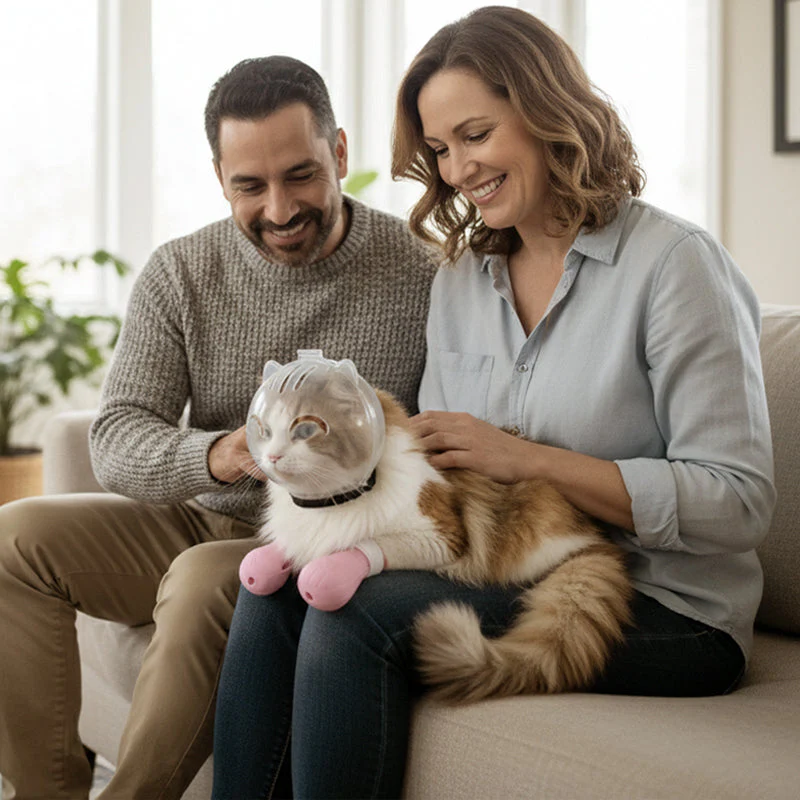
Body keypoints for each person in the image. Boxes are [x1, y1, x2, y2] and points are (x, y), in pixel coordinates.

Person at [210, 7, 776, 799]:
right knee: (270, 595)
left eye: (474, 135)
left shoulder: (674, 267)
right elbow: (448, 479)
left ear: (548, 111)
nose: (456, 170)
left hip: (668, 604)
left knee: (351, 618)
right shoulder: (462, 281)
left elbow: (740, 502)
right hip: (499, 565)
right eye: (440, 150)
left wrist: (530, 459)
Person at [0, 55, 435, 799]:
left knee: (207, 579)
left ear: (339, 153)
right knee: (14, 538)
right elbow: (118, 438)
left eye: (300, 174)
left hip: (331, 542)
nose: (278, 207)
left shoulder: (423, 273)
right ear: (219, 178)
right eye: (249, 185)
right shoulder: (182, 272)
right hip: (211, 514)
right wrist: (221, 454)